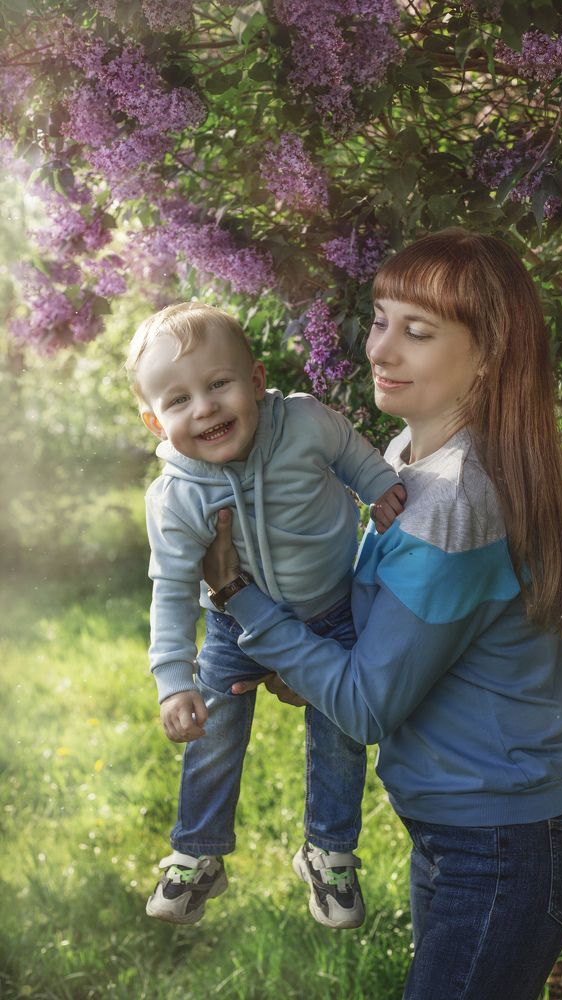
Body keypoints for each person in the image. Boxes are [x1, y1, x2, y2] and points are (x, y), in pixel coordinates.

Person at [201, 230, 562, 1000]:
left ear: (488, 358)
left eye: (417, 333)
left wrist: (236, 595)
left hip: (506, 842)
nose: (382, 348)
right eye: (381, 319)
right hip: (473, 829)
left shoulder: (451, 503)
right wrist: (301, 668)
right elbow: (390, 650)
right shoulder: (410, 464)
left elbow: (370, 703)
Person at [125, 302, 406, 927]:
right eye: (177, 401)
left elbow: (349, 451)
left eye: (218, 384)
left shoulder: (303, 422)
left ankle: (329, 851)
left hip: (332, 609)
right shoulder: (176, 495)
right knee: (215, 730)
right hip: (233, 627)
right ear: (153, 421)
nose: (204, 408)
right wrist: (173, 681)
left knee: (340, 730)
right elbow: (170, 589)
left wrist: (378, 483)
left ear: (254, 381)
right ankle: (197, 853)